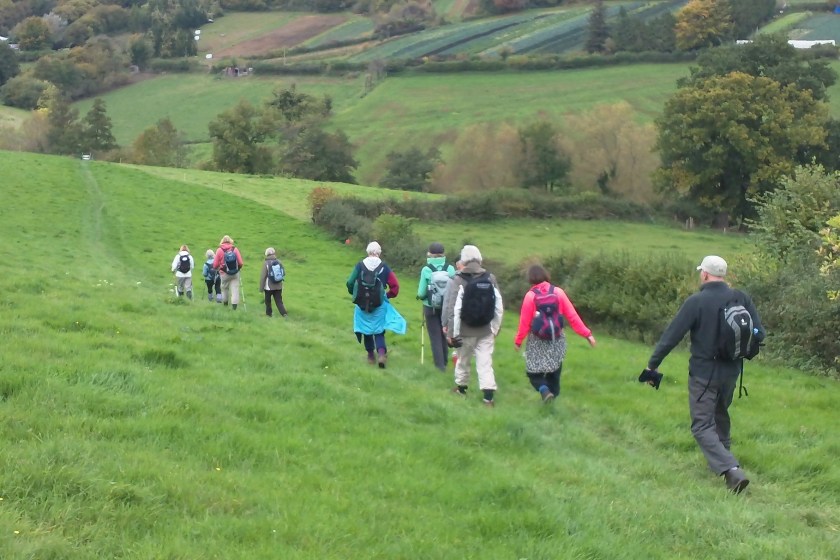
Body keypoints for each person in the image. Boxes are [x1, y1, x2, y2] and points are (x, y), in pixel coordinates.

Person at [642, 255, 764, 494]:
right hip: (732, 371)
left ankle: (731, 470)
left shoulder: (696, 301)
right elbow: (760, 334)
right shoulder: (742, 298)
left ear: (705, 274)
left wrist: (652, 366)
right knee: (720, 414)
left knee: (701, 425)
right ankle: (723, 460)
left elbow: (671, 336)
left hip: (704, 373)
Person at [514, 264, 596, 404]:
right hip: (557, 338)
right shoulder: (558, 292)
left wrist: (518, 341)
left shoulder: (530, 296)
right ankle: (553, 396)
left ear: (530, 279)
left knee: (533, 372)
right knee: (554, 369)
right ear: (546, 275)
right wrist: (587, 334)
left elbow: (525, 322)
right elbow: (572, 316)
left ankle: (544, 391)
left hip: (537, 339)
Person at [443, 245, 503, 407]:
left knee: (463, 360)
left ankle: (461, 389)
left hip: (464, 329)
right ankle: (488, 397)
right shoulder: (490, 278)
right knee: (485, 361)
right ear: (479, 259)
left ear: (463, 260)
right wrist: (496, 328)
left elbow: (452, 308)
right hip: (486, 329)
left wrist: (451, 333)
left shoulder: (458, 279)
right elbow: (498, 305)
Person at [346, 241, 404, 368]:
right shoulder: (384, 267)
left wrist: (355, 294)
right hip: (379, 304)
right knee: (379, 330)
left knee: (366, 330)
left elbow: (350, 282)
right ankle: (382, 354)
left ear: (367, 252)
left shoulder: (360, 265)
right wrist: (386, 296)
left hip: (361, 304)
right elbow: (395, 287)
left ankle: (371, 356)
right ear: (379, 253)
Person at [416, 242, 456, 372]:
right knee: (444, 333)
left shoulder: (426, 269)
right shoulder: (450, 268)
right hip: (447, 307)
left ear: (430, 254)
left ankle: (440, 366)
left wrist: (420, 297)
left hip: (430, 306)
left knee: (435, 336)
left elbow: (421, 293)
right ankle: (444, 360)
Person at [212, 235, 244, 310]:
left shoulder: (219, 250)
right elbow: (240, 263)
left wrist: (218, 268)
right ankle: (234, 308)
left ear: (222, 241)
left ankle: (225, 304)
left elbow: (215, 265)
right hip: (235, 273)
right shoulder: (235, 249)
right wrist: (238, 269)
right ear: (230, 241)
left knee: (224, 289)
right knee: (235, 289)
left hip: (224, 273)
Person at [259, 247, 288, 318]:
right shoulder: (279, 261)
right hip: (278, 285)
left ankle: (269, 314)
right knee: (279, 301)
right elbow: (283, 273)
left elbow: (263, 276)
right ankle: (284, 314)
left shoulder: (266, 263)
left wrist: (261, 288)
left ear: (267, 254)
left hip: (269, 286)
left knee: (267, 301)